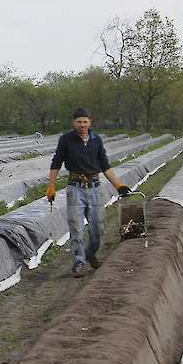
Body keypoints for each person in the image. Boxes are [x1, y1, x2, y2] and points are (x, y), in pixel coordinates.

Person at [46, 107, 130, 278]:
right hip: (75, 187)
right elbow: (56, 163)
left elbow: (105, 166)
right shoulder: (66, 140)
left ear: (90, 122)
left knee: (97, 227)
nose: (82, 124)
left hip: (95, 187)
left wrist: (119, 185)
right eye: (79, 122)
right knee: (76, 227)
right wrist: (51, 186)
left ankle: (90, 253)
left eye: (85, 121)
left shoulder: (96, 140)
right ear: (74, 122)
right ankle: (79, 263)